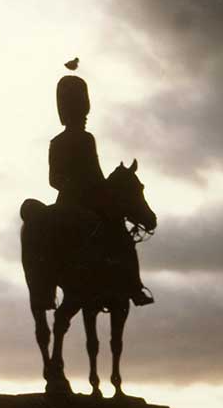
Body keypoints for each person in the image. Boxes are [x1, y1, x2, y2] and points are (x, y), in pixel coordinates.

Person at [49, 73, 153, 306]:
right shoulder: (85, 139)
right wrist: (96, 189)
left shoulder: (58, 141)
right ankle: (135, 288)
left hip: (64, 202)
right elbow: (91, 175)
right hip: (83, 202)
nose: (85, 117)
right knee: (124, 239)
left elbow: (53, 180)